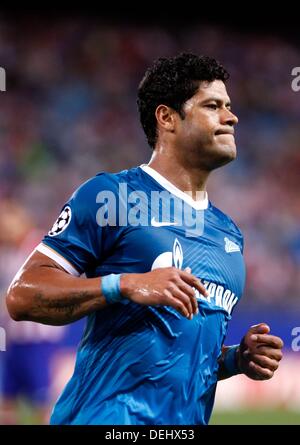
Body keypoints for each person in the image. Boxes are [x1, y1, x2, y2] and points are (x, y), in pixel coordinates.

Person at [6, 53, 284, 425]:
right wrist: (124, 284)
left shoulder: (229, 235)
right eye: (213, 106)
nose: (231, 117)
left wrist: (235, 360)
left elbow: (179, 358)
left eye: (229, 107)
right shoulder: (112, 197)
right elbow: (22, 296)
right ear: (167, 118)